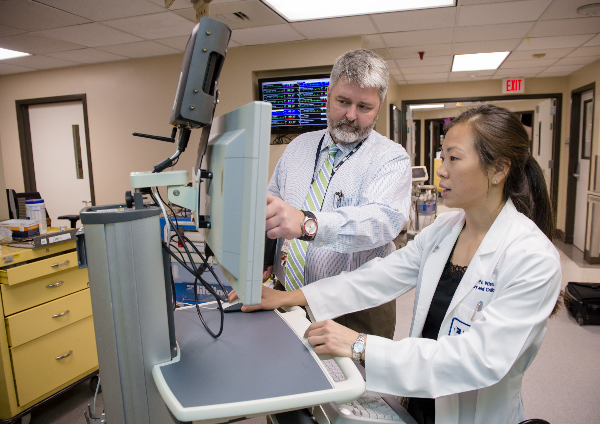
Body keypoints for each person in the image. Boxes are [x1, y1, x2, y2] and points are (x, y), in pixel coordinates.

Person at [240, 105, 562, 424]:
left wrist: (360, 344)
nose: (442, 170)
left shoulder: (532, 258)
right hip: (419, 405)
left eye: (454, 158)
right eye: (443, 156)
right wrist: (289, 297)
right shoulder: (444, 230)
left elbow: (476, 360)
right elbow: (378, 277)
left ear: (498, 170)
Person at [262, 49, 412, 339]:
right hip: (286, 295)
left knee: (355, 383)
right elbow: (272, 205)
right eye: (343, 102)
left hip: (356, 309)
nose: (351, 115)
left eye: (364, 107)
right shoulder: (298, 148)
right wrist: (263, 258)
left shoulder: (391, 158)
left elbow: (380, 222)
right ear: (328, 95)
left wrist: (308, 223)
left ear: (378, 107)